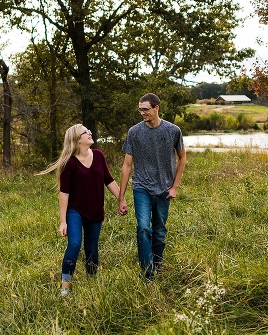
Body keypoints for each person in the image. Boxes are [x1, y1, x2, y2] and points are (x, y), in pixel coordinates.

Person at [38, 123, 127, 296]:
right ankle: (65, 286)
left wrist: (121, 199)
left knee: (92, 248)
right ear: (77, 140)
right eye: (85, 132)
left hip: (95, 210)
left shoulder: (99, 156)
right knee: (74, 243)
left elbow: (108, 180)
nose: (90, 133)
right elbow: (64, 193)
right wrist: (63, 221)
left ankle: (92, 283)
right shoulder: (69, 163)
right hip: (75, 211)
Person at [119, 93, 186, 281]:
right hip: (141, 187)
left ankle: (157, 265)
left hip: (164, 189)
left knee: (159, 231)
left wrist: (174, 187)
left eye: (145, 109)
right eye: (140, 110)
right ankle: (147, 272)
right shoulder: (134, 132)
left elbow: (182, 158)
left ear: (157, 108)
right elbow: (127, 165)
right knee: (143, 228)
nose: (142, 113)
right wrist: (121, 197)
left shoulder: (173, 131)